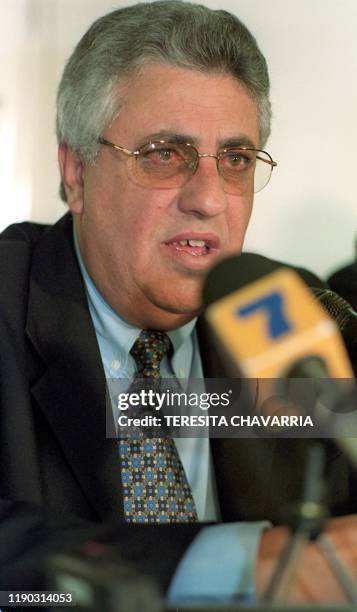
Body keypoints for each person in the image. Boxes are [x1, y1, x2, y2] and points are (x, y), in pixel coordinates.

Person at [1, 1, 357, 605]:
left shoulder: (290, 317)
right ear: (76, 172)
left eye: (236, 160)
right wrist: (250, 566)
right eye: (166, 154)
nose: (210, 199)